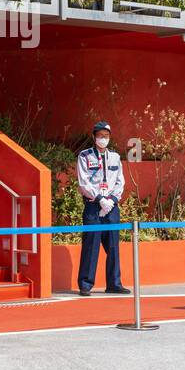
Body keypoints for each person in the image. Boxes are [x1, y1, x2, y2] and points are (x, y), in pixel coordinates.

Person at [75, 122, 129, 297]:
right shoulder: (85, 156)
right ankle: (85, 284)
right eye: (100, 135)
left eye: (106, 135)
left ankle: (114, 283)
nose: (103, 138)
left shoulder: (115, 157)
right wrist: (99, 199)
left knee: (113, 246)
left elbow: (120, 181)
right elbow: (84, 182)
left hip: (112, 207)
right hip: (93, 206)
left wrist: (112, 200)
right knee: (91, 245)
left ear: (110, 137)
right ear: (94, 137)